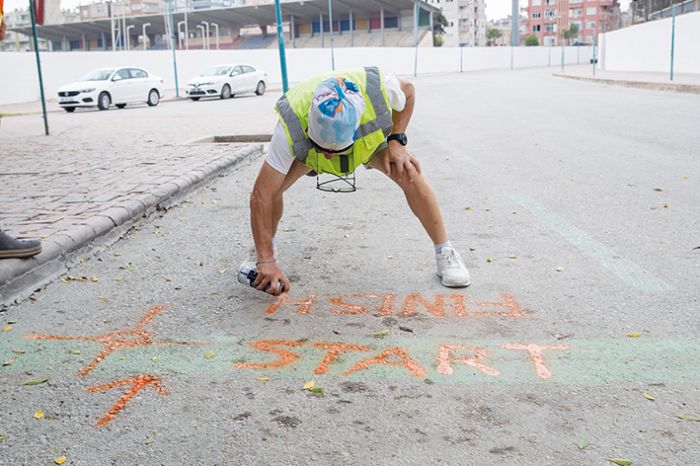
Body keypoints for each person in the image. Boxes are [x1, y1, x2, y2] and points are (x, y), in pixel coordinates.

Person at [244, 66, 470, 296]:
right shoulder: (291, 120)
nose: (330, 155)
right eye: (325, 148)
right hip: (310, 156)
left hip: (368, 145)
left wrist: (396, 141)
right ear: (308, 125)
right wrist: (266, 258)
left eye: (336, 148)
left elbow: (409, 91)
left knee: (409, 171)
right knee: (271, 193)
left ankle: (446, 251)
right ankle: (263, 252)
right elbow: (260, 195)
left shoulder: (378, 88)